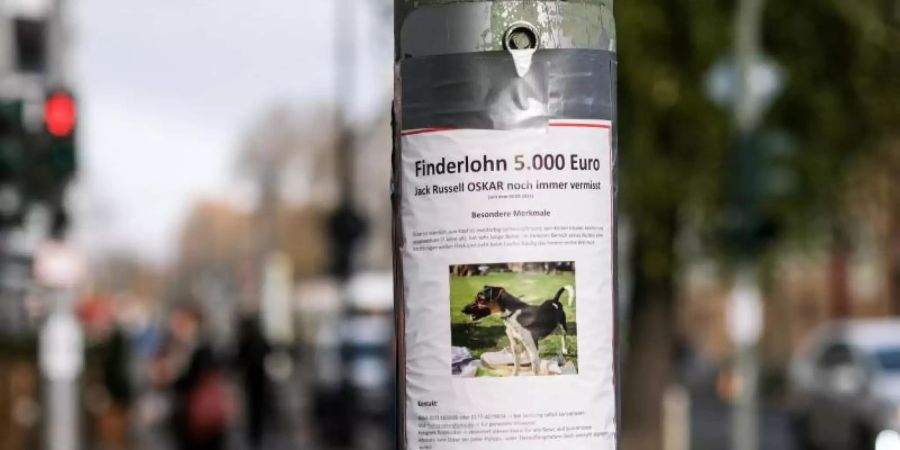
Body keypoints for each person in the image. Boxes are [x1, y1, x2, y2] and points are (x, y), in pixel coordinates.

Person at [152, 305, 231, 450]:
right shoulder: (173, 345)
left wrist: (172, 376)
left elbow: (195, 379)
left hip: (202, 416)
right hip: (184, 415)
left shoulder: (203, 348)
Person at [235, 315, 272, 449]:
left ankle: (255, 434)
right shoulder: (252, 341)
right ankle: (255, 434)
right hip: (255, 380)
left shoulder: (249, 341)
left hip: (254, 380)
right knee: (256, 408)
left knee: (255, 408)